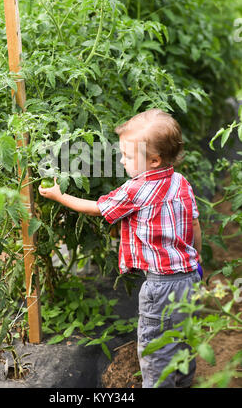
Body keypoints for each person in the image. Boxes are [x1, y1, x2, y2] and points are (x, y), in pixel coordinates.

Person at [38, 108, 202, 388]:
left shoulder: (135, 189)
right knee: (182, 335)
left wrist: (59, 195)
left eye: (127, 156)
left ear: (153, 160)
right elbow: (195, 226)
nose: (121, 160)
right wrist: (197, 260)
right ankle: (185, 382)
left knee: (155, 350)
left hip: (160, 286)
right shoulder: (181, 183)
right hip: (189, 277)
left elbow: (96, 208)